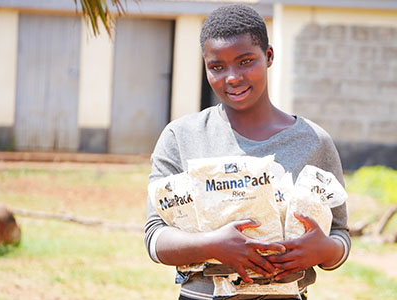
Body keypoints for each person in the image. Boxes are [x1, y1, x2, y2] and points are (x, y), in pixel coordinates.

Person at [144, 4, 350, 300]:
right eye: (217, 67)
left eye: (245, 61)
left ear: (268, 56)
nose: (232, 77)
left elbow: (339, 234)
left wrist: (325, 250)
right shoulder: (181, 137)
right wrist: (211, 245)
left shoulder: (313, 141)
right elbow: (155, 237)